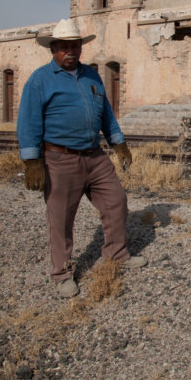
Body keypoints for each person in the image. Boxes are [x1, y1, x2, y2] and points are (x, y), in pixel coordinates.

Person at [17, 18, 144, 298]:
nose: (70, 52)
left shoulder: (91, 76)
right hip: (59, 159)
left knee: (116, 201)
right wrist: (32, 162)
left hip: (94, 155)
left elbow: (106, 113)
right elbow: (28, 122)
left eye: (74, 46)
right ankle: (62, 274)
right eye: (64, 47)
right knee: (61, 218)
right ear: (53, 49)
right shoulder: (40, 80)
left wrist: (118, 143)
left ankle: (116, 254)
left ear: (80, 48)